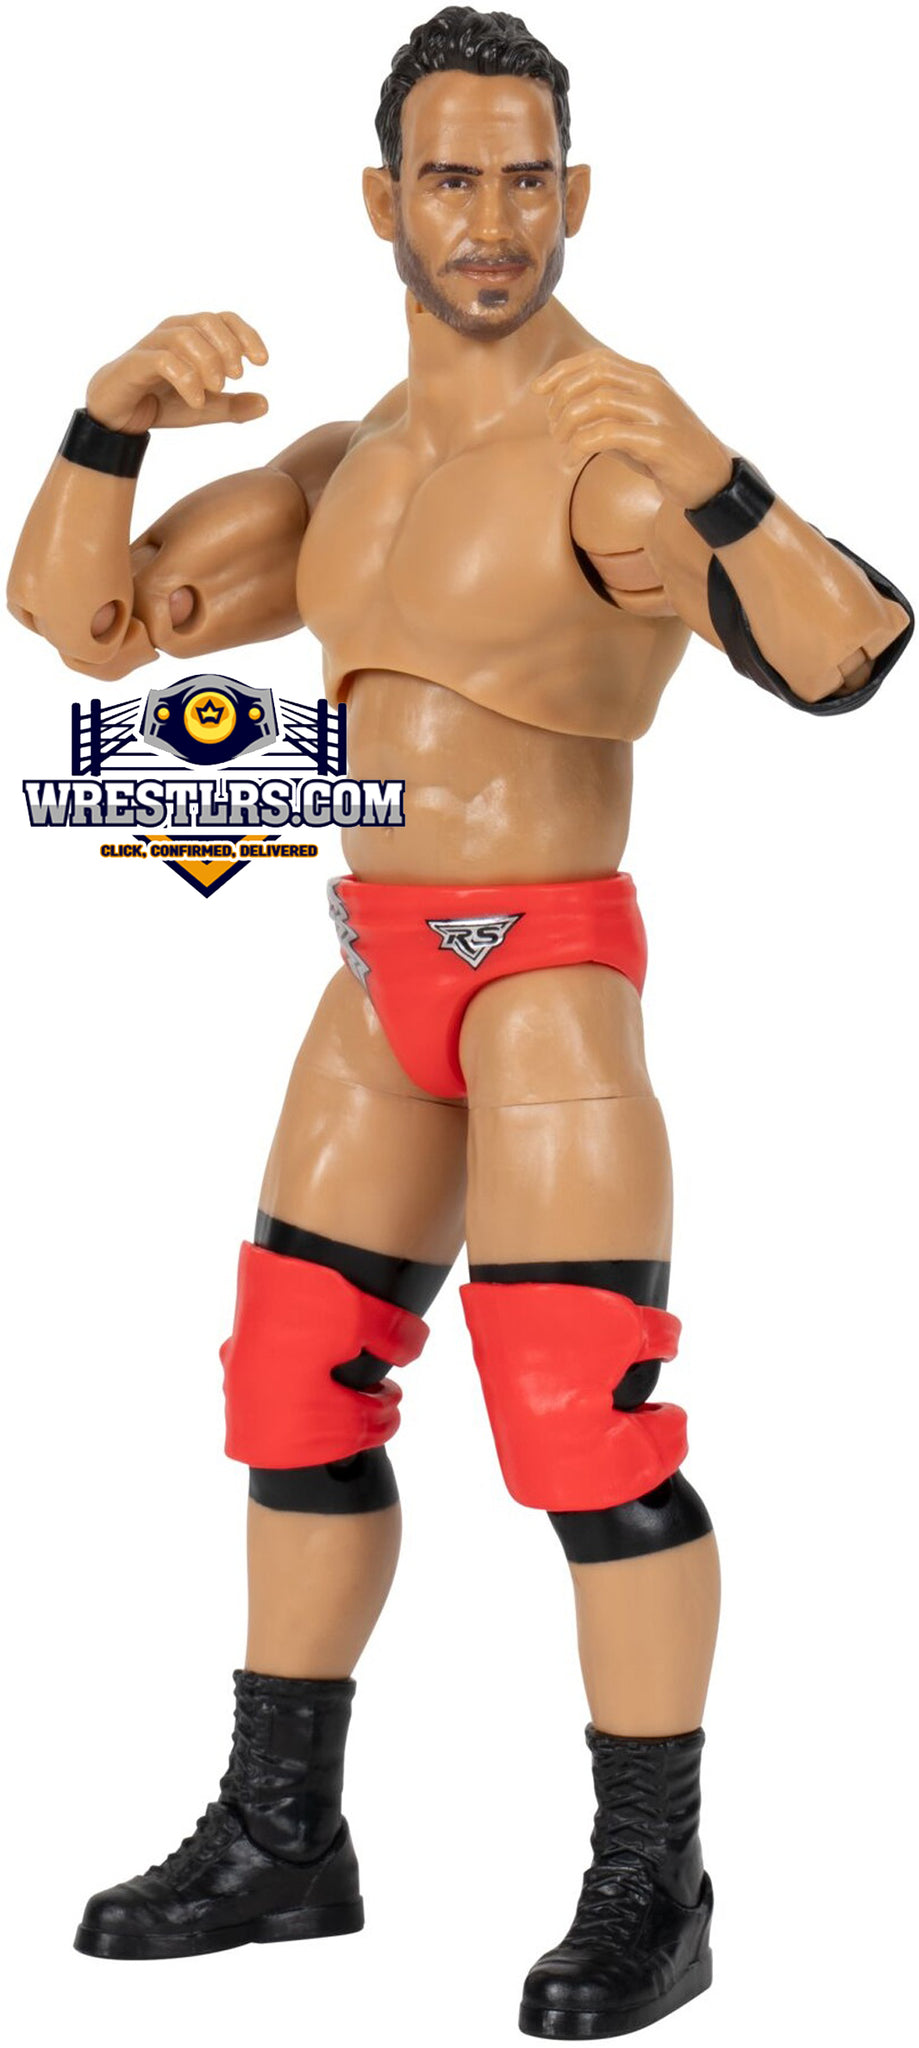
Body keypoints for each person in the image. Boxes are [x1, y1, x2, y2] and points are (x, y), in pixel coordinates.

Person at [7, 7, 912, 2037]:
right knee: (288, 1394)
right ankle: (283, 1836)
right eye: (449, 178)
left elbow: (847, 655)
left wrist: (721, 478)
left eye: (522, 178)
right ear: (382, 202)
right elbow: (85, 623)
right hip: (372, 972)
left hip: (549, 981)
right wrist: (106, 415)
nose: (488, 219)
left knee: (586, 1421)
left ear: (573, 194)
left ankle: (655, 1879)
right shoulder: (350, 469)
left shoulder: (609, 456)